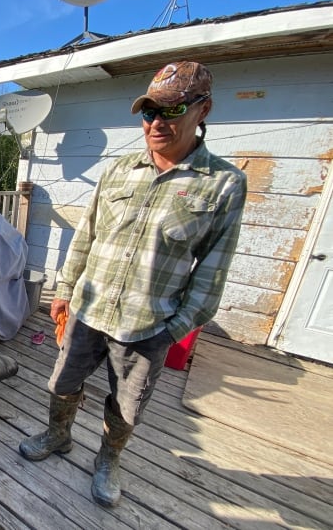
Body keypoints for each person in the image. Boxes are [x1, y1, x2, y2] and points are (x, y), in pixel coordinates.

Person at [18, 62, 247, 508]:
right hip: (89, 310)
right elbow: (86, 235)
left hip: (148, 324)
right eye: (148, 113)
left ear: (203, 110)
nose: (157, 122)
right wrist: (65, 290)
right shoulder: (119, 170)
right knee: (61, 384)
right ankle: (58, 435)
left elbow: (213, 271)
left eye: (172, 109)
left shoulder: (223, 184)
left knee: (126, 407)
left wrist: (175, 328)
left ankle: (108, 460)